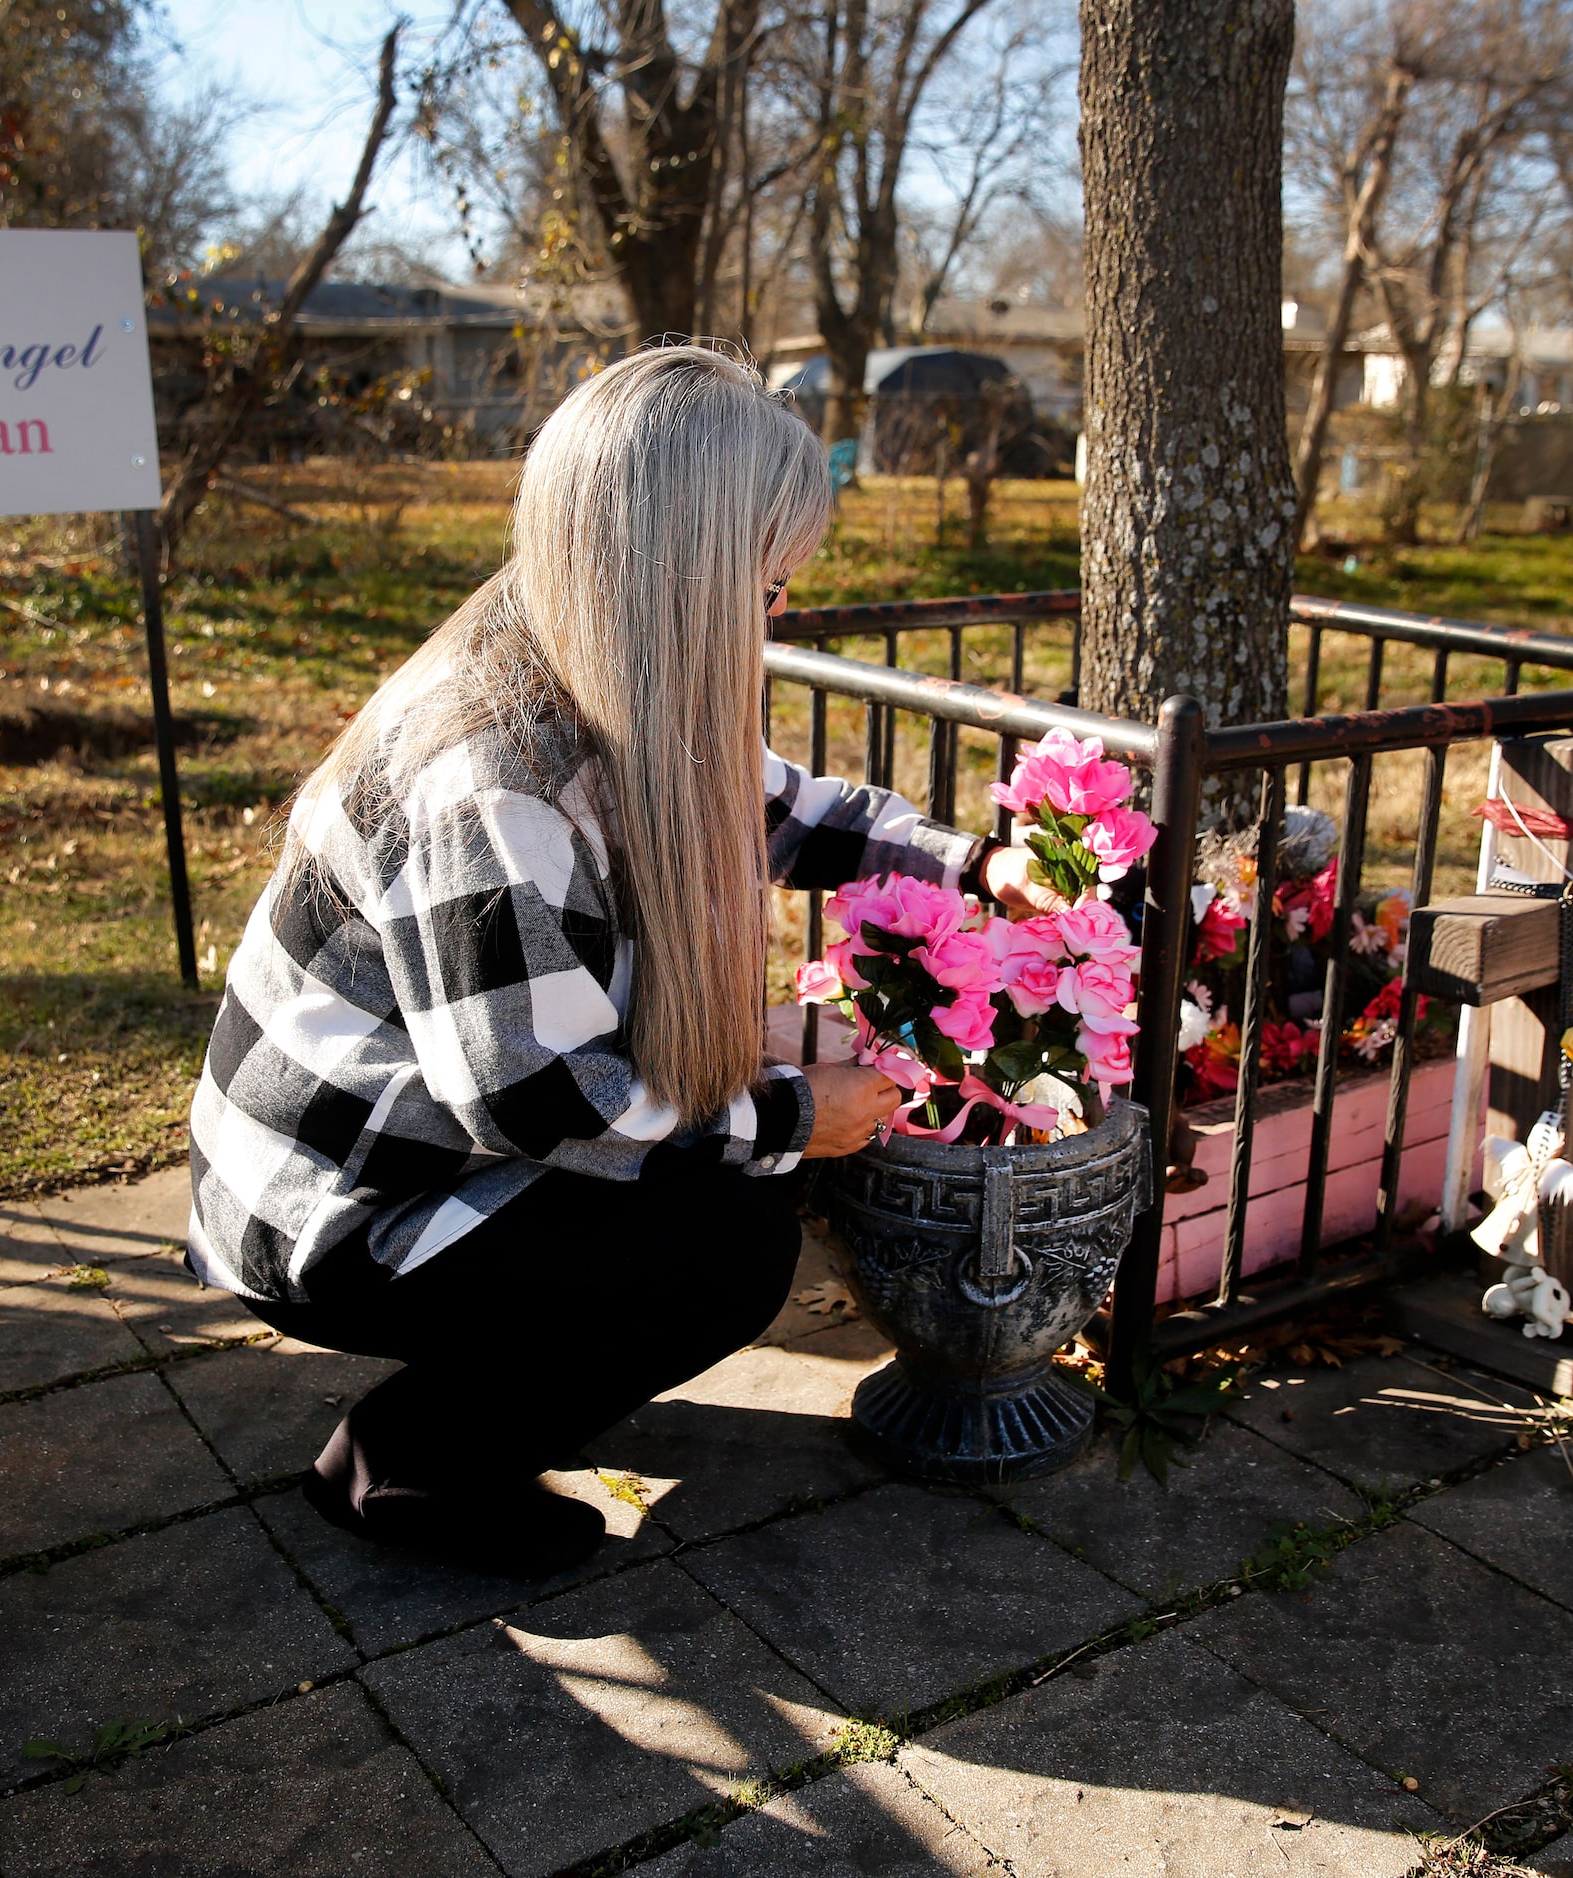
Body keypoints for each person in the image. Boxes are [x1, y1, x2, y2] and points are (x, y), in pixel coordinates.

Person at [185, 345, 1066, 1576]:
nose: (776, 613)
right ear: (684, 573)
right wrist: (796, 1115)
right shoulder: (487, 777)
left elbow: (777, 810)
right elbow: (541, 1102)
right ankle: (414, 1467)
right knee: (726, 1250)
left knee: (721, 1196)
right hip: (331, 1207)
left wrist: (973, 865)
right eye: (766, 582)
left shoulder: (585, 668)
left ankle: (438, 1417)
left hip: (399, 1145)